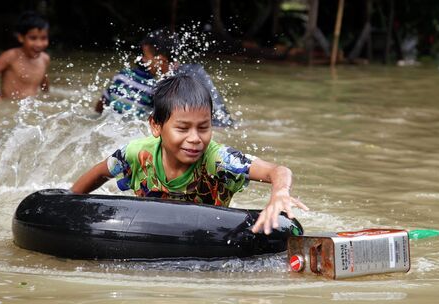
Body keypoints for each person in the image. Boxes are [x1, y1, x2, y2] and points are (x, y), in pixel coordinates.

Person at [73, 74, 307, 234]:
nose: (195, 138)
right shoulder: (136, 154)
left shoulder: (219, 160)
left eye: (203, 128)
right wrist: (68, 203)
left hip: (208, 235)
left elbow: (278, 170)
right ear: (156, 126)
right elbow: (97, 175)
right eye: (183, 128)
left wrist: (280, 193)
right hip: (151, 232)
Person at [96, 29, 234, 127]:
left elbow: (101, 104)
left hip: (215, 125)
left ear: (161, 60)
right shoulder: (192, 73)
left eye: (145, 56)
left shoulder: (124, 76)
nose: (141, 60)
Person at [0, 11, 50, 101]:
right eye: (33, 38)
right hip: (9, 107)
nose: (39, 44)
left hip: (30, 108)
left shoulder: (45, 58)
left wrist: (48, 97)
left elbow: (43, 82)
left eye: (43, 38)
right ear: (21, 38)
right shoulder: (11, 56)